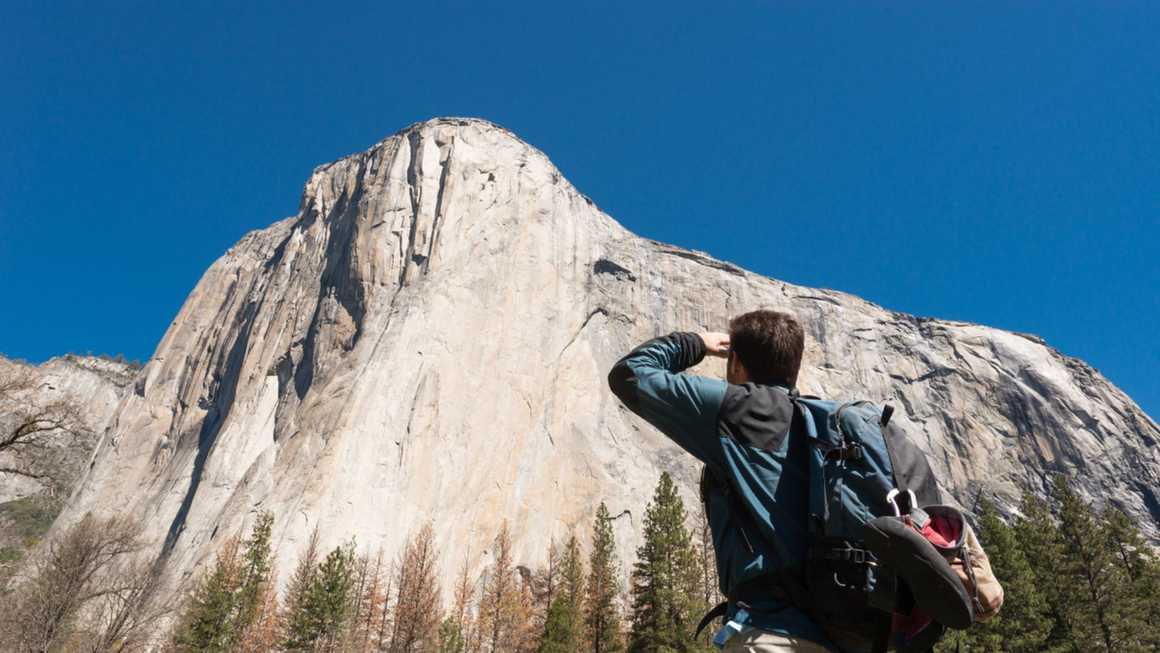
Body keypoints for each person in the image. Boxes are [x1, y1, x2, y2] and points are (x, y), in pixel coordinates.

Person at [607, 309, 834, 652]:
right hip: (837, 637)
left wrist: (697, 344)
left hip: (769, 635)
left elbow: (630, 373)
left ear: (735, 362)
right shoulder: (827, 426)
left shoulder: (740, 411)